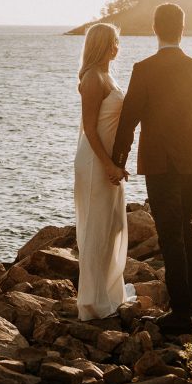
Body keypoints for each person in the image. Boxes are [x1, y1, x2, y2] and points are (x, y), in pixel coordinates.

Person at [112, 3, 192, 335]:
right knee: (185, 226)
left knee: (171, 234)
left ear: (155, 29)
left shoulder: (145, 69)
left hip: (161, 163)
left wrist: (117, 161)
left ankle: (181, 313)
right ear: (183, 29)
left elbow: (128, 122)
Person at [74, 22, 131, 321]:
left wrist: (118, 161)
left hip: (108, 160)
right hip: (95, 161)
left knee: (113, 226)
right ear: (103, 44)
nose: (117, 47)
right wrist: (108, 164)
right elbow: (90, 129)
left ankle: (109, 293)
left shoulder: (107, 76)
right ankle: (92, 303)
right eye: (114, 41)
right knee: (97, 229)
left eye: (117, 42)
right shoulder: (93, 78)